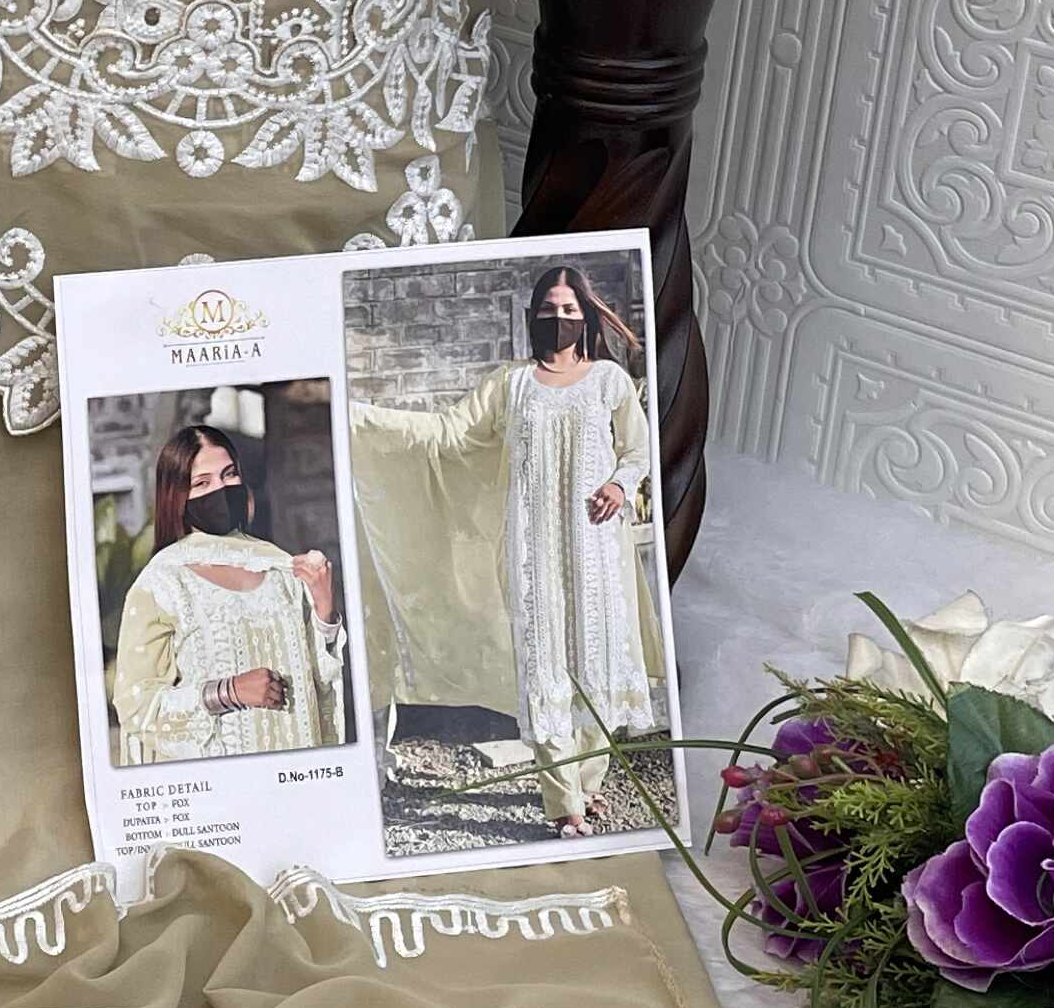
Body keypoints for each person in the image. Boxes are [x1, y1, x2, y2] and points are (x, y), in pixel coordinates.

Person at [343, 262, 661, 831]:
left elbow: (638, 451)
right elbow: (448, 432)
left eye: (569, 310)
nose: (558, 319)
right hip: (530, 551)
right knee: (545, 669)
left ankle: (588, 784)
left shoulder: (609, 380)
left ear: (586, 316)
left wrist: (619, 483)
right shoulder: (509, 383)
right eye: (548, 310)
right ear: (531, 317)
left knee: (600, 663)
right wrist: (360, 419)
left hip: (597, 548)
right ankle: (563, 805)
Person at [109, 416, 347, 764]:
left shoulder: (278, 566)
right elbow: (135, 706)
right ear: (177, 496)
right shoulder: (163, 582)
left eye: (229, 474)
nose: (220, 489)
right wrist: (229, 691)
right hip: (220, 776)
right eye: (202, 482)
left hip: (294, 764)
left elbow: (318, 682)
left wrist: (325, 609)